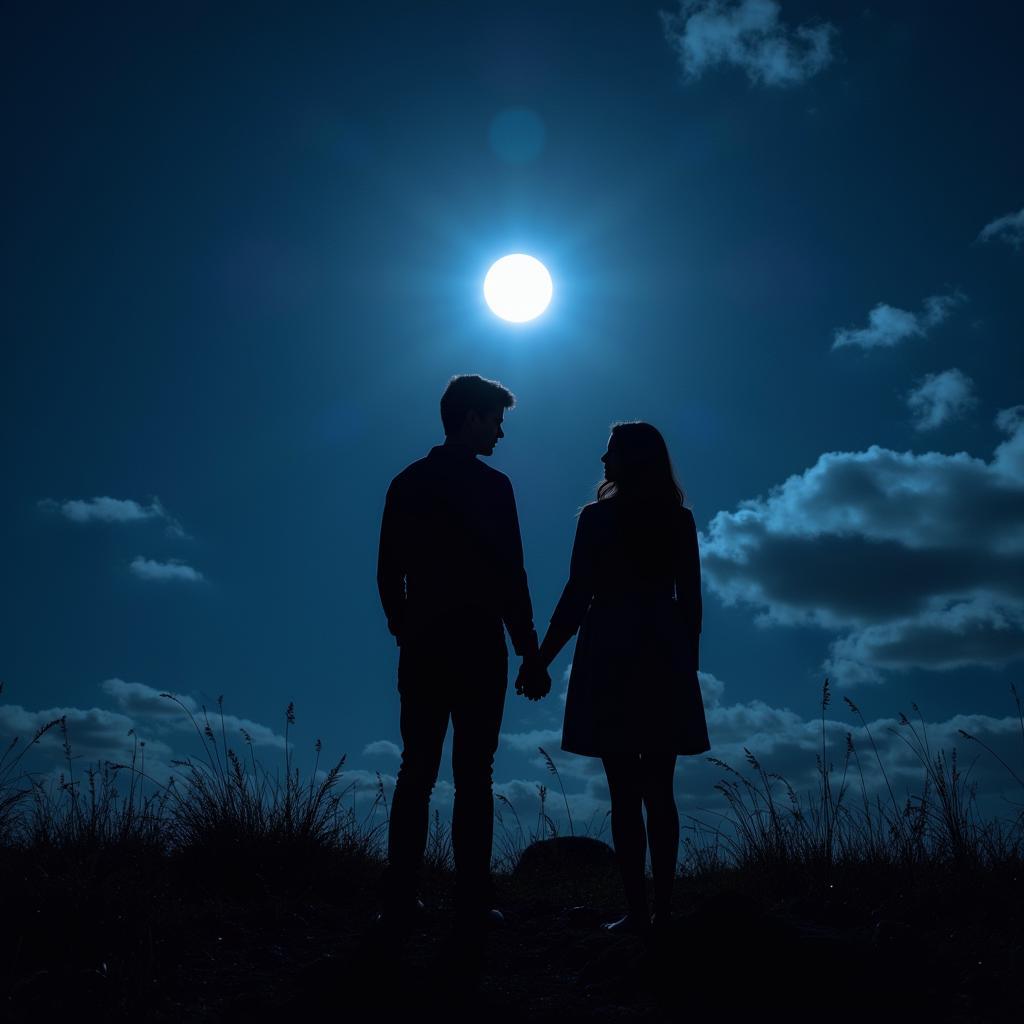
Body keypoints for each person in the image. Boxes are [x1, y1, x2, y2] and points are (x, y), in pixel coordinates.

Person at [517, 421, 710, 934]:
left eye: (609, 453)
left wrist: (541, 658)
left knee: (624, 790)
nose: (602, 462)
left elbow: (577, 596)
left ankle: (641, 914)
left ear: (629, 459)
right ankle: (661, 911)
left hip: (611, 650)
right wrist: (684, 667)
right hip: (663, 650)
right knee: (659, 789)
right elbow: (691, 604)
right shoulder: (679, 520)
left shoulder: (597, 520)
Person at [376, 373, 549, 932]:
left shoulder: (407, 482)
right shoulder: (494, 488)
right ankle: (471, 902)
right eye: (496, 420)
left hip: (425, 643)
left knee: (416, 770)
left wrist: (405, 626)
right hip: (477, 646)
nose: (501, 432)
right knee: (474, 774)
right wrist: (530, 652)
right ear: (471, 417)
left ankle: (402, 899)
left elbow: (387, 572)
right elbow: (511, 577)